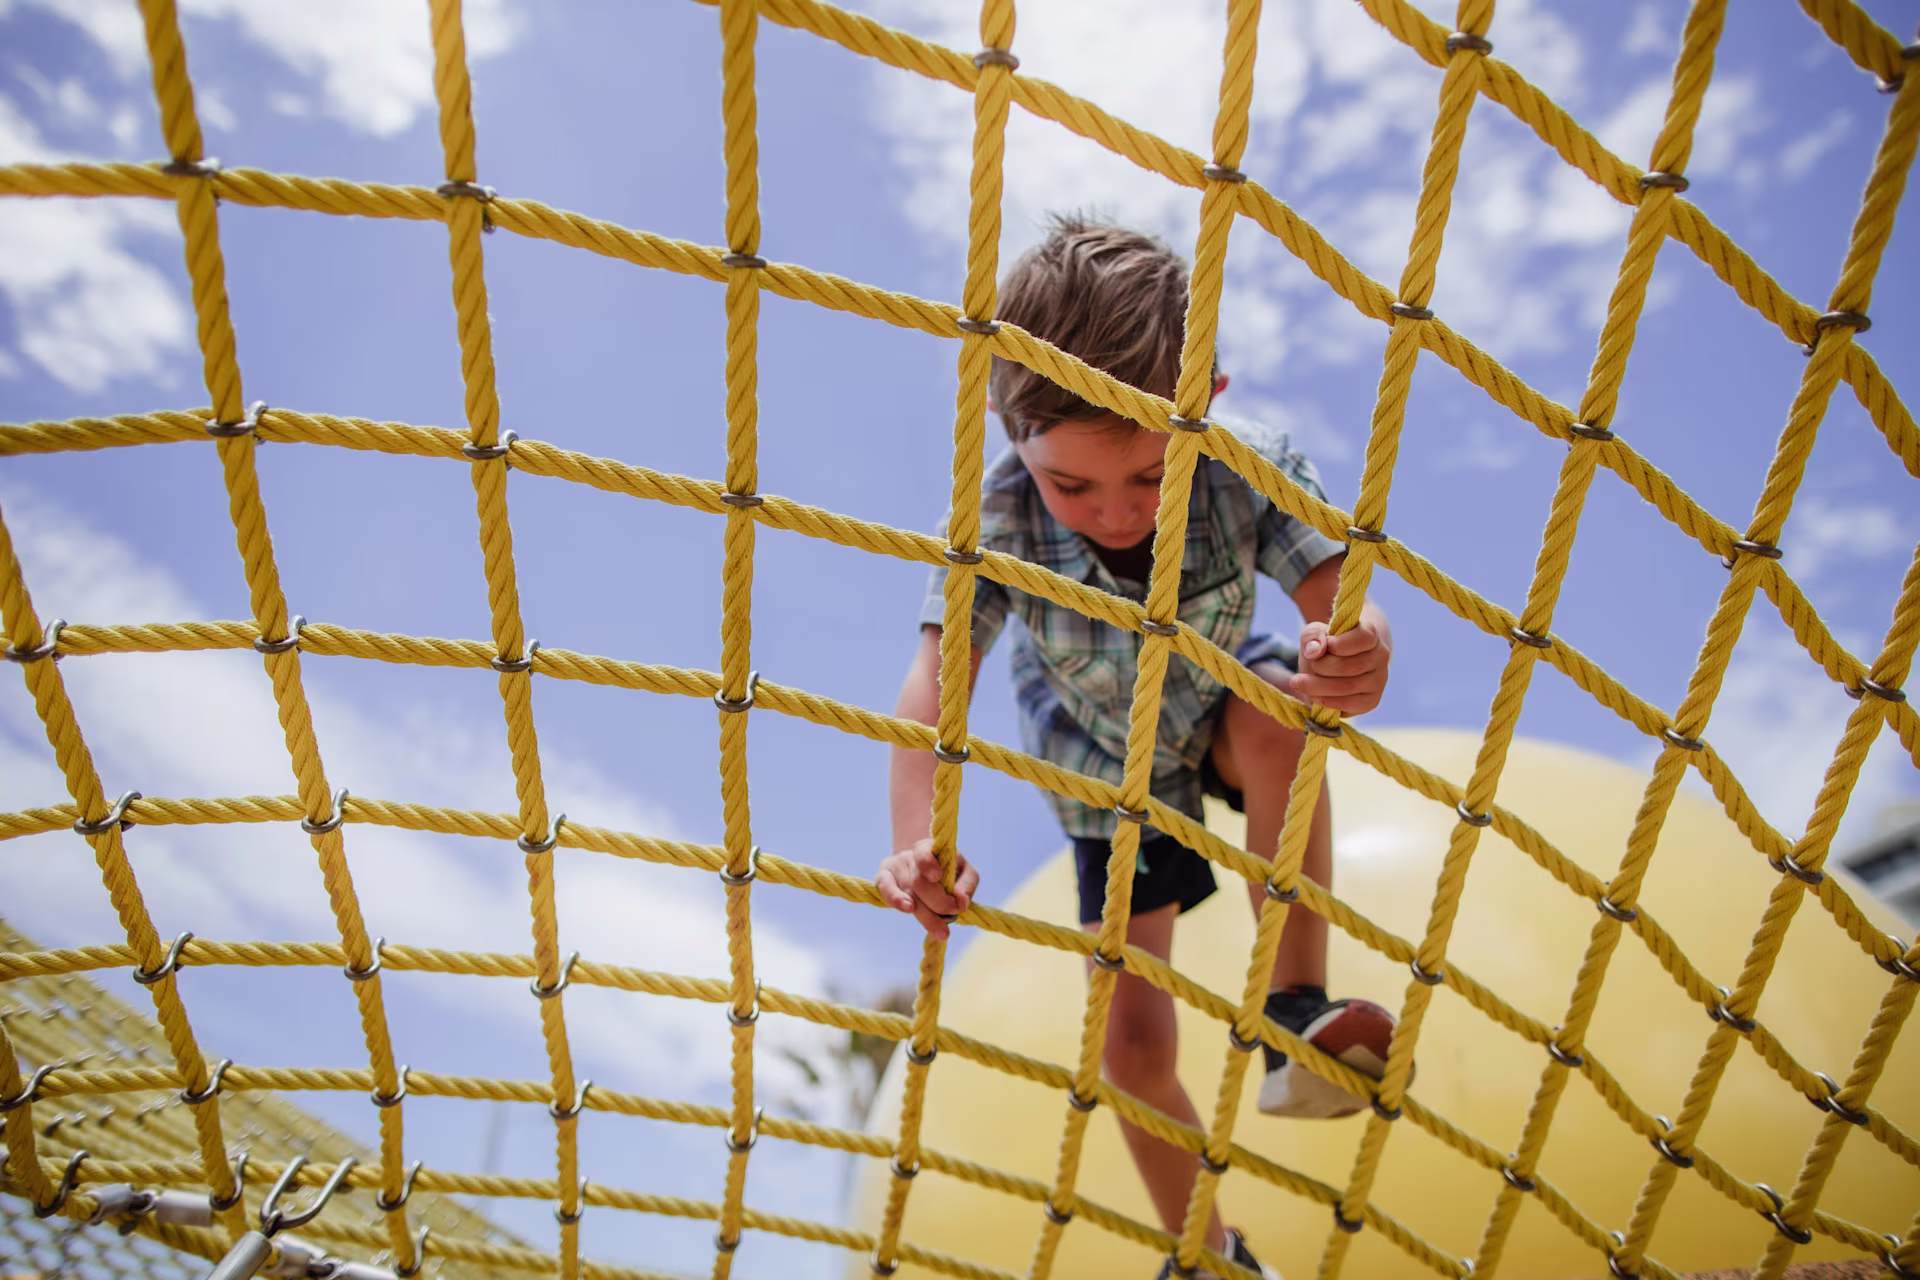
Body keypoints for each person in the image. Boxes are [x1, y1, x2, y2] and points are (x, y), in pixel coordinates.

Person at [875, 216, 1395, 1280]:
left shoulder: (1245, 466)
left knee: (1286, 721)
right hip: (1104, 777)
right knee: (1132, 1049)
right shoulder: (1002, 516)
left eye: (1150, 475)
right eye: (1076, 485)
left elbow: (1337, 598)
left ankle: (1296, 1003)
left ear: (1206, 402)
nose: (1116, 510)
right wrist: (916, 836)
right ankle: (1208, 1254)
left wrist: (1360, 647)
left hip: (1212, 703)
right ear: (1006, 427)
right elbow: (936, 687)